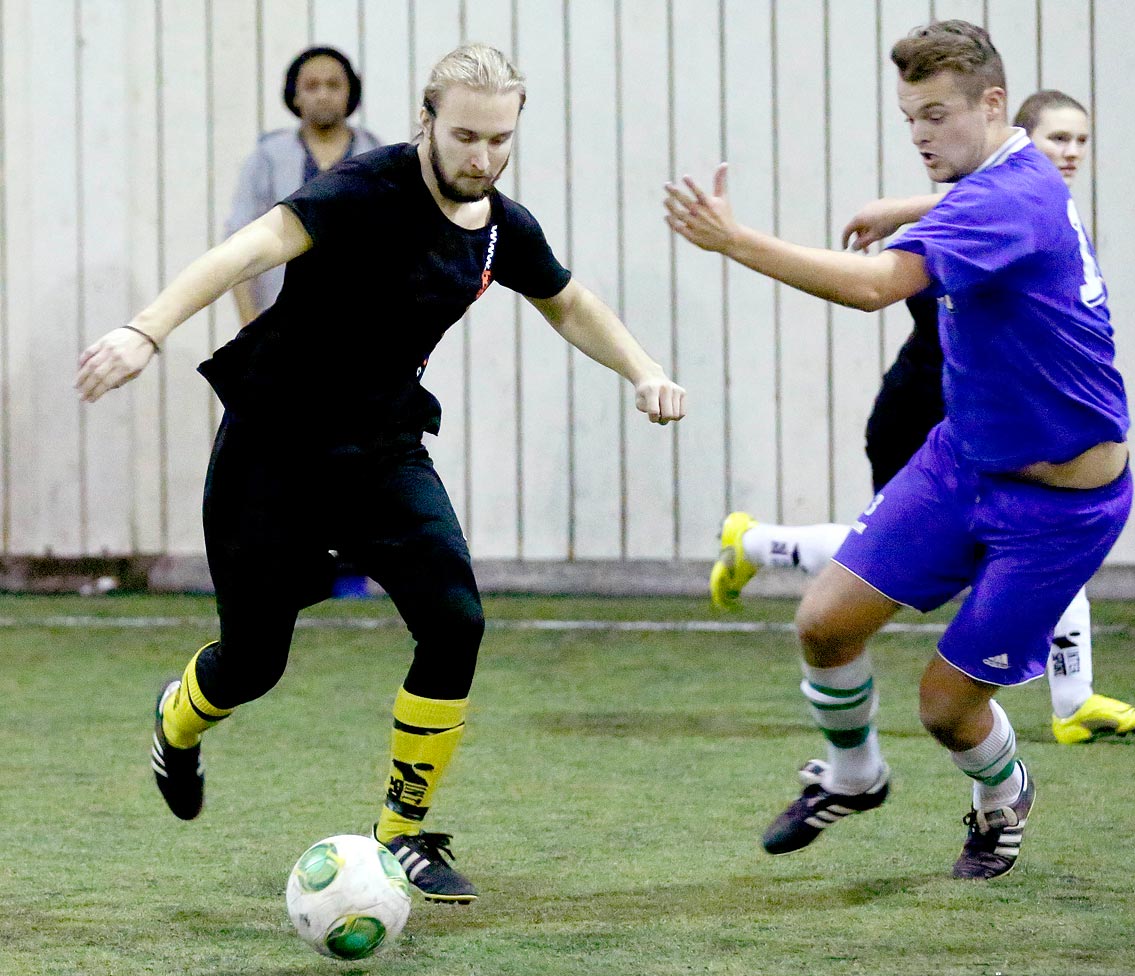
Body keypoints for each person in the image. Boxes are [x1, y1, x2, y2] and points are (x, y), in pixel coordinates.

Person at [77, 43, 685, 905]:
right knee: (254, 662)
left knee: (455, 621)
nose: (482, 157)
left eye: (500, 140)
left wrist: (644, 371)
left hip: (383, 449)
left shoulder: (503, 225)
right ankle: (178, 718)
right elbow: (244, 252)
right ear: (426, 123)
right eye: (465, 136)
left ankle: (403, 833)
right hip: (271, 445)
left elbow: (568, 301)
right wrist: (145, 330)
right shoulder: (363, 189)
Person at [665, 21, 1132, 879]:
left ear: (991, 105)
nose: (919, 136)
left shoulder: (1003, 200)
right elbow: (978, 191)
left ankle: (1001, 799)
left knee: (946, 709)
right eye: (908, 118)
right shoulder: (1009, 168)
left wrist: (737, 241)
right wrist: (906, 204)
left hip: (1060, 509)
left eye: (935, 116)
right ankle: (853, 774)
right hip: (962, 459)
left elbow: (879, 287)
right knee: (824, 625)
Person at [709, 89, 1135, 747]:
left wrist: (899, 204)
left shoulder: (1026, 206)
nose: (1067, 153)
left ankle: (1073, 700)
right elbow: (873, 285)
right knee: (883, 568)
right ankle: (756, 544)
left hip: (989, 435)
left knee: (1011, 561)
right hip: (930, 421)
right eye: (1053, 139)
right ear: (1010, 136)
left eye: (1079, 141)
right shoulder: (990, 215)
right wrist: (737, 241)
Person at [228, 46, 383, 326]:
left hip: (363, 321)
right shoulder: (269, 157)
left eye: (333, 85)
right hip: (281, 320)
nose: (323, 94)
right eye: (311, 86)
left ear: (351, 92)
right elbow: (238, 240)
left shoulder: (378, 157)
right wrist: (248, 323)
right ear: (295, 95)